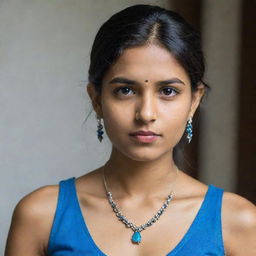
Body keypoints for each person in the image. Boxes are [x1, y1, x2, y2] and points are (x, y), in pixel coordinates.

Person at [5, 4, 256, 256]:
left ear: (193, 101)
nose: (146, 114)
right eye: (125, 90)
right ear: (96, 100)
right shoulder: (40, 216)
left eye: (168, 91)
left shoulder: (237, 222)